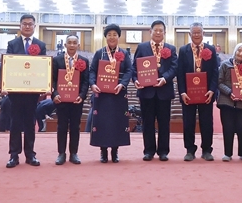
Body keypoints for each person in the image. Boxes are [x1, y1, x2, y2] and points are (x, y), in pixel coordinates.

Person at [5, 13, 47, 168]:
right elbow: (8, 65)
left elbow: (43, 67)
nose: (27, 26)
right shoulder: (12, 44)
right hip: (15, 91)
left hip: (32, 91)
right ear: (20, 26)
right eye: (25, 24)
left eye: (30, 24)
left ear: (34, 26)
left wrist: (43, 86)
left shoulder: (40, 45)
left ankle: (30, 155)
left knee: (30, 122)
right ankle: (14, 155)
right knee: (15, 122)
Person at [133, 19, 178, 161]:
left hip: (164, 91)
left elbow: (174, 67)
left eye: (161, 30)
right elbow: (134, 67)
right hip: (146, 92)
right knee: (147, 122)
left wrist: (164, 78)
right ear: (150, 31)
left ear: (165, 32)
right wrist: (135, 80)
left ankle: (163, 151)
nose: (158, 32)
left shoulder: (171, 49)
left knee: (164, 122)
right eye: (155, 30)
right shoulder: (142, 47)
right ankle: (149, 151)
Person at [89, 24, 133, 163]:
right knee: (102, 123)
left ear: (118, 37)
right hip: (102, 94)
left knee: (117, 122)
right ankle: (103, 152)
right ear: (105, 37)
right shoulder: (99, 53)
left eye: (115, 35)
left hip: (118, 93)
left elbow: (129, 70)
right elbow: (92, 70)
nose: (112, 37)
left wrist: (122, 84)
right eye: (109, 35)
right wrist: (93, 84)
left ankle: (115, 151)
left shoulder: (124, 54)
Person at [176, 22, 218, 161]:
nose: (196, 35)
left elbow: (215, 72)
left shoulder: (210, 49)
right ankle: (190, 150)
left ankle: (206, 150)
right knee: (188, 122)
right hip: (188, 94)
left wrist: (212, 90)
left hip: (206, 93)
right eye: (193, 32)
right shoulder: (183, 50)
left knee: (207, 122)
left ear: (203, 33)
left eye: (198, 32)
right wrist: (182, 92)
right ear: (190, 34)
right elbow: (180, 73)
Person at [51, 34, 88, 165]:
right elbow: (53, 80)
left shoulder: (84, 60)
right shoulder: (57, 60)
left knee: (75, 127)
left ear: (78, 45)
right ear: (65, 44)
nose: (72, 45)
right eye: (69, 42)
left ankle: (74, 153)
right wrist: (55, 94)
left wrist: (81, 96)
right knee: (61, 126)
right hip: (61, 100)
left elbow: (85, 81)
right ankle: (61, 153)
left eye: (74, 42)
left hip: (76, 100)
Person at [217, 43, 242, 161]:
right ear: (235, 51)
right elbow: (219, 82)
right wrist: (229, 92)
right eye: (239, 51)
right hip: (226, 101)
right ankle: (228, 153)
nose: (241, 53)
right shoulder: (225, 65)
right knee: (228, 128)